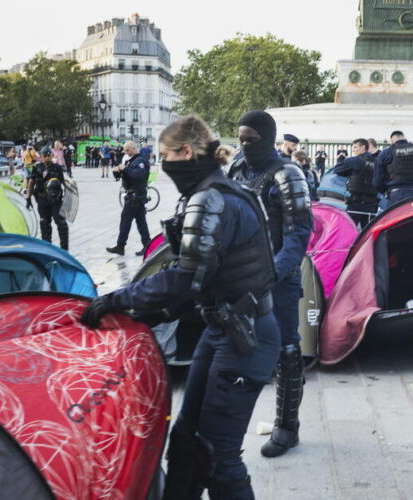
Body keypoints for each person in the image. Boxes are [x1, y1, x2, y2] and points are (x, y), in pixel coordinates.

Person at [81, 115, 280, 500]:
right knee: (187, 439)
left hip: (246, 336)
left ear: (186, 152)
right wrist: (159, 313)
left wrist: (116, 299)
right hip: (225, 328)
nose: (163, 163)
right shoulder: (216, 191)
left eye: (166, 155)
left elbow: (182, 277)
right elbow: (205, 275)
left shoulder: (211, 197)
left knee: (218, 456)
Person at [227, 110, 313, 459]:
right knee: (232, 346)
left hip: (278, 278)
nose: (245, 146)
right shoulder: (236, 168)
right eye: (241, 139)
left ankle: (287, 426)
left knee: (286, 350)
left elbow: (298, 233)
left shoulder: (288, 175)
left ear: (267, 137)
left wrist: (273, 272)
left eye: (252, 140)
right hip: (239, 274)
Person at [107, 141, 151, 256]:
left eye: (127, 150)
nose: (125, 152)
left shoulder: (140, 160)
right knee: (141, 222)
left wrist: (125, 169)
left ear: (134, 148)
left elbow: (139, 175)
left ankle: (120, 246)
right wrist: (117, 171)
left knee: (125, 220)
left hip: (135, 197)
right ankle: (147, 245)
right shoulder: (131, 160)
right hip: (135, 196)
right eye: (124, 150)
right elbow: (127, 175)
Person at [373, 130, 413, 207]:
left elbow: (377, 182)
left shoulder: (385, 153)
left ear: (392, 141)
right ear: (404, 138)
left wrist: (387, 190)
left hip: (395, 195)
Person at [26, 147, 68, 250]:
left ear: (52, 156)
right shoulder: (37, 168)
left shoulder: (57, 168)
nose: (46, 158)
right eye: (44, 156)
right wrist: (28, 198)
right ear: (41, 156)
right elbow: (31, 183)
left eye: (48, 155)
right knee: (44, 223)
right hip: (42, 199)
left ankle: (64, 248)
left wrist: (68, 198)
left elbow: (64, 182)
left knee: (61, 223)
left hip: (56, 200)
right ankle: (47, 247)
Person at [335, 138, 379, 227]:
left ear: (363, 147)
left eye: (355, 147)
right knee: (368, 233)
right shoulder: (378, 162)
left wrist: (340, 159)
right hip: (371, 203)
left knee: (349, 229)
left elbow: (338, 170)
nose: (353, 150)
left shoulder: (354, 160)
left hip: (356, 202)